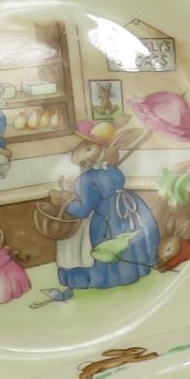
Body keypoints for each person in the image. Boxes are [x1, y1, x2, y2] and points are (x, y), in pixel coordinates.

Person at [38, 121, 158, 301]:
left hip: (105, 218)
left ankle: (100, 278)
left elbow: (83, 210)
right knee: (123, 241)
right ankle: (129, 273)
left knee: (95, 242)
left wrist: (63, 202)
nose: (78, 151)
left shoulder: (87, 179)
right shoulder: (113, 171)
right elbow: (101, 190)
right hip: (123, 212)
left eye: (88, 148)